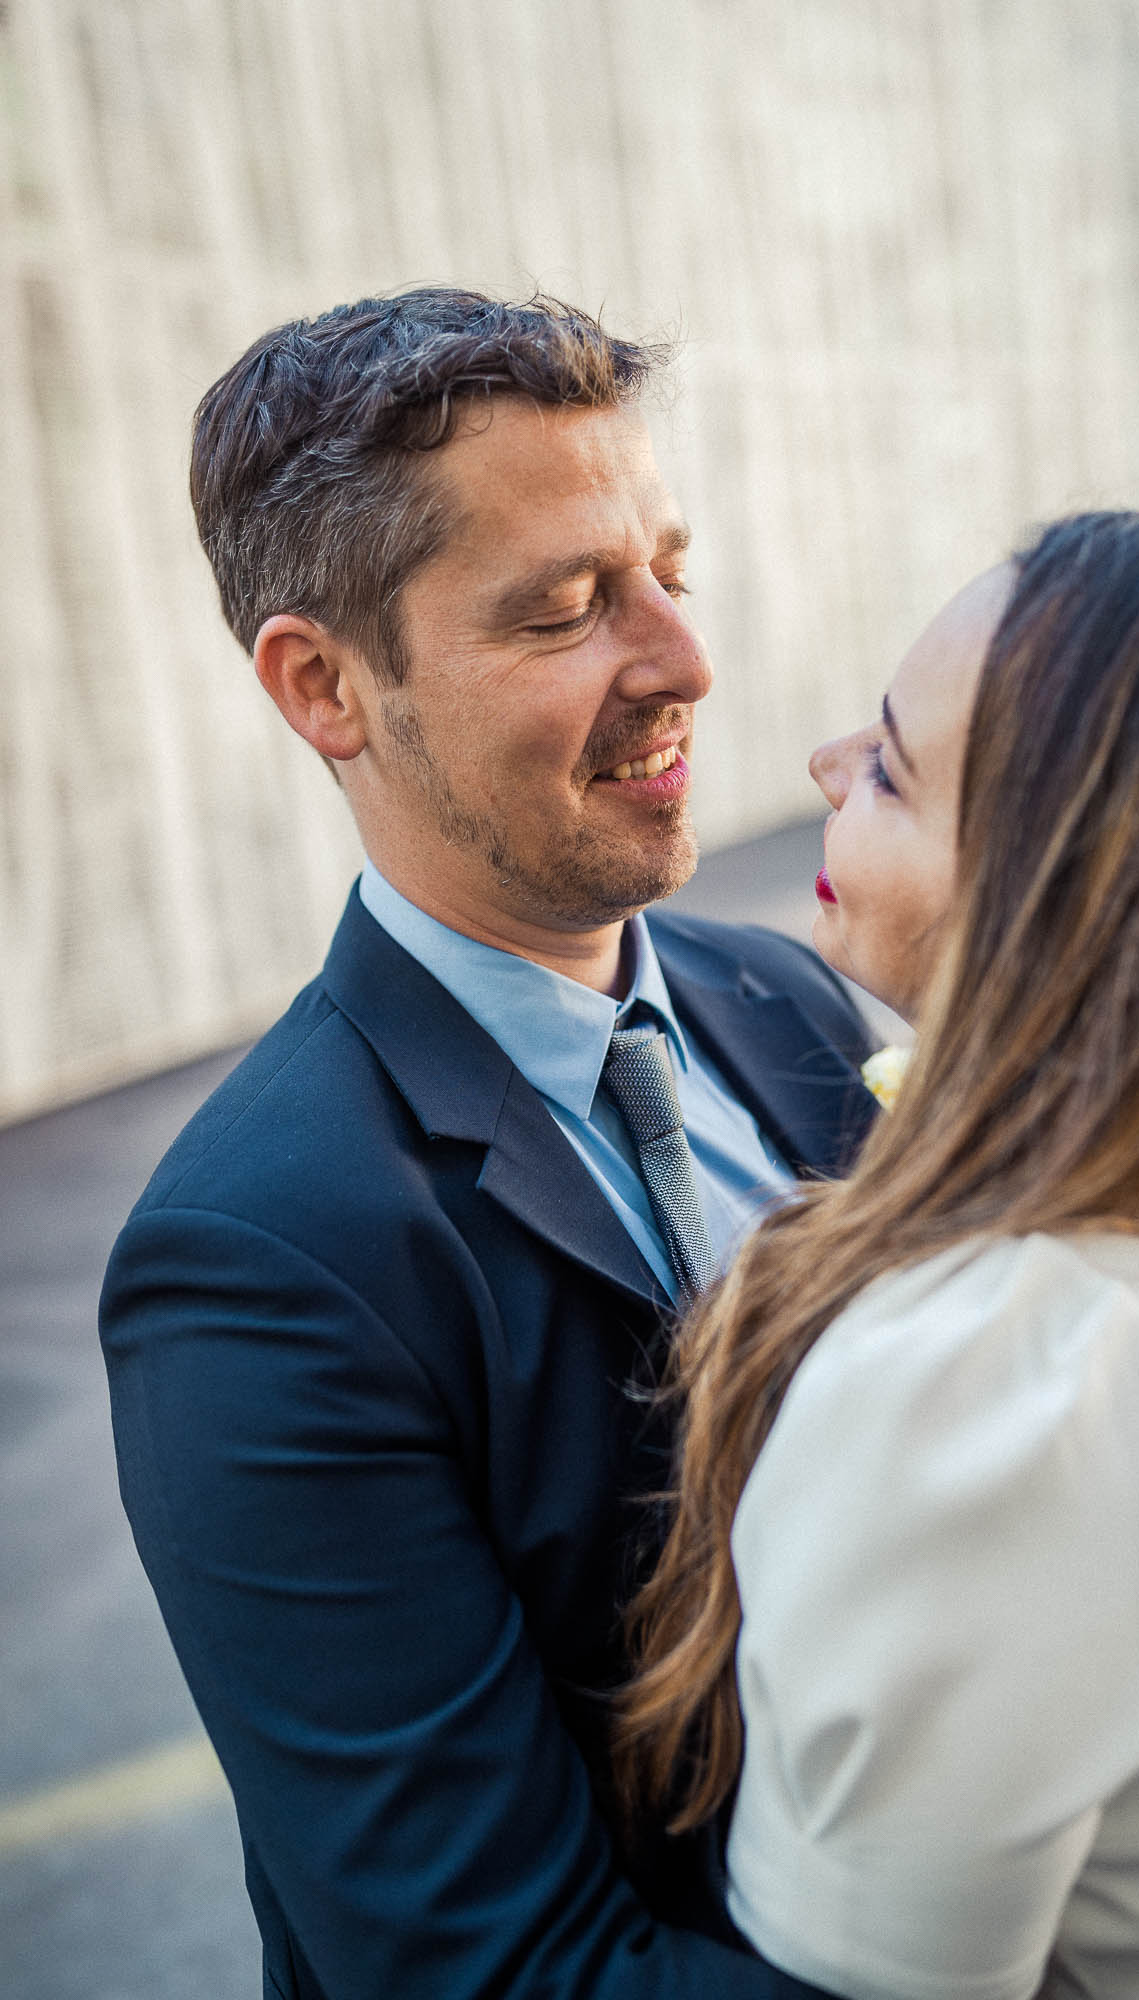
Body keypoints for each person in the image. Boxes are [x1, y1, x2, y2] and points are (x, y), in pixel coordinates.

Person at [98, 288, 878, 1999]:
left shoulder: (800, 1017)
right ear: (324, 687)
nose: (683, 658)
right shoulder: (259, 1260)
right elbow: (502, 1972)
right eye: (569, 609)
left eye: (669, 568)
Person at [618, 512, 1139, 1998]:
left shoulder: (1018, 1375)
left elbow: (866, 1979)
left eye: (893, 769)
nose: (830, 763)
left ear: (1062, 901)